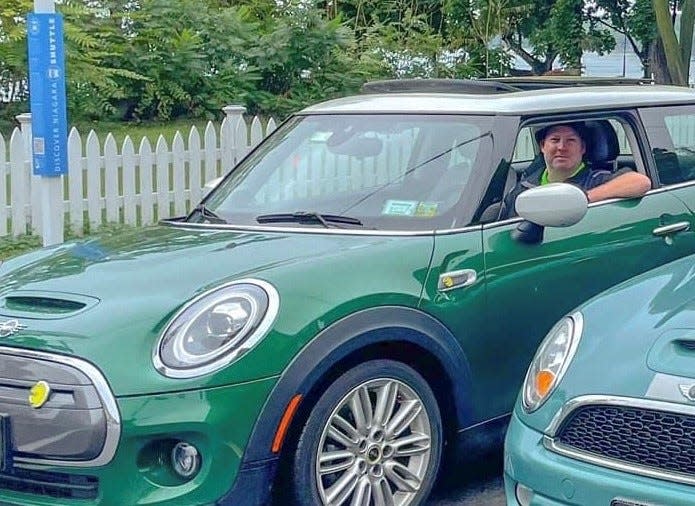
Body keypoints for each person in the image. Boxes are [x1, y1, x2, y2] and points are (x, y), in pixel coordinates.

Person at [503, 122, 651, 217]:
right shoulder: (525, 186)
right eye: (555, 140)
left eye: (571, 141)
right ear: (542, 146)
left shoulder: (597, 179)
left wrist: (584, 198)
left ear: (583, 148)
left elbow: (640, 182)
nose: (561, 147)